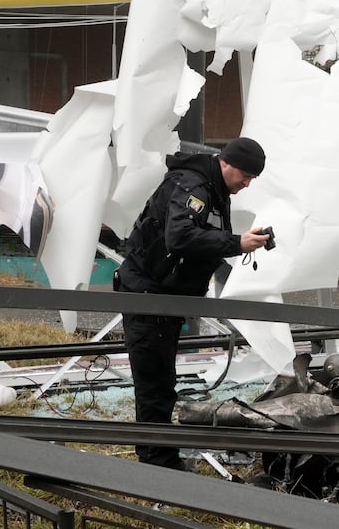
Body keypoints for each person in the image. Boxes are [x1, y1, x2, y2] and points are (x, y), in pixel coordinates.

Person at [114, 137, 270, 471]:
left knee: (160, 378)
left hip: (163, 294)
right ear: (225, 162)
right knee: (155, 381)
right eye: (244, 175)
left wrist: (239, 241)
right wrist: (236, 242)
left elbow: (200, 238)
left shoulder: (213, 188)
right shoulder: (194, 186)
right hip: (148, 294)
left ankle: (158, 455)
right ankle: (157, 463)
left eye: (252, 179)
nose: (246, 183)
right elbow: (180, 236)